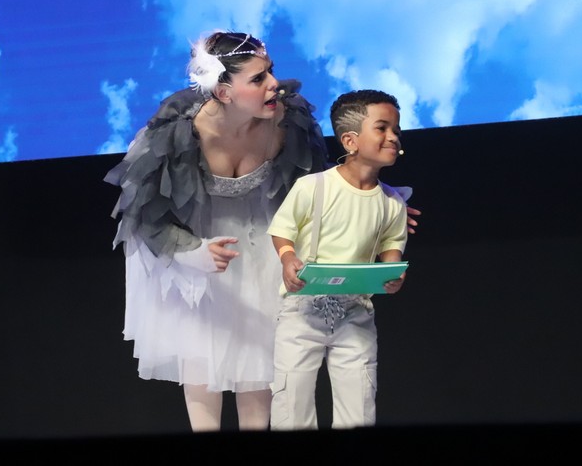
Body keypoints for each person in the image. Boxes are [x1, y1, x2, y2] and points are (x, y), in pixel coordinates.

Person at [104, 30, 330, 431]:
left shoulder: (287, 122)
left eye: (270, 71)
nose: (273, 83)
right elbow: (143, 211)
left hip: (261, 241)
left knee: (259, 355)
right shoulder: (180, 131)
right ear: (224, 92)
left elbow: (315, 188)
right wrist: (191, 252)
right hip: (198, 240)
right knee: (200, 355)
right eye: (257, 78)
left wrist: (377, 201)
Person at [267, 89, 409, 430]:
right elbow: (283, 228)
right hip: (303, 310)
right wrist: (288, 258)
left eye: (396, 130)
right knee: (291, 402)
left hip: (355, 311)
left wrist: (392, 272)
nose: (393, 137)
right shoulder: (313, 186)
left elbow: (392, 243)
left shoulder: (392, 202)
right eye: (382, 128)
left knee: (358, 403)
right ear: (350, 140)